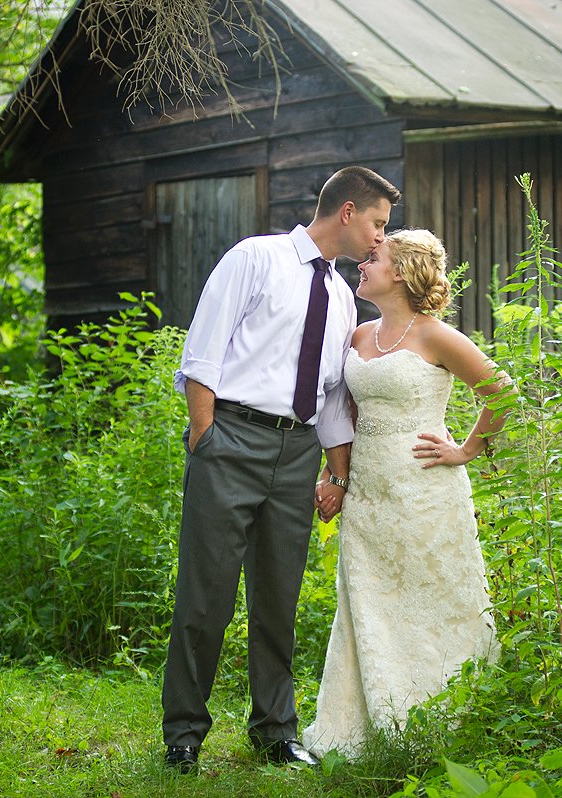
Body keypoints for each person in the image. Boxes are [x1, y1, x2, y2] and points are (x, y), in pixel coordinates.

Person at [162, 166, 402, 773]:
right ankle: (184, 732)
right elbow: (203, 353)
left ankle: (275, 730)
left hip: (297, 456)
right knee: (205, 595)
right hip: (230, 441)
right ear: (347, 212)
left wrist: (336, 473)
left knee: (279, 599)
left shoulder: (345, 300)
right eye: (377, 223)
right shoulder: (255, 258)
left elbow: (330, 398)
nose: (380, 238)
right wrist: (205, 434)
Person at [303, 228, 510, 758]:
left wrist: (464, 450)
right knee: (368, 602)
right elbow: (339, 414)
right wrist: (335, 477)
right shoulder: (356, 335)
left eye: (373, 258)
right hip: (368, 493)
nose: (363, 264)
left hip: (424, 491)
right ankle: (368, 725)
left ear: (400, 273)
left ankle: (449, 718)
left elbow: (501, 391)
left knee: (433, 596)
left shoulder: (435, 336)